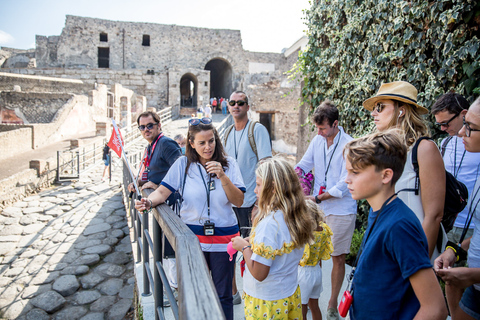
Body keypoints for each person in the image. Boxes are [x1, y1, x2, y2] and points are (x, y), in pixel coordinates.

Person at [135, 117, 245, 320]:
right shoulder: (182, 164)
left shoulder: (229, 165)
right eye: (201, 143)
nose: (207, 147)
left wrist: (223, 176)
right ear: (191, 144)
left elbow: (239, 201)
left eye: (211, 141)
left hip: (224, 241)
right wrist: (148, 202)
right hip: (193, 242)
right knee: (195, 294)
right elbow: (162, 192)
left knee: (223, 296)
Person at [344, 130, 447, 319]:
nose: (347, 179)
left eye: (355, 172)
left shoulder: (399, 226)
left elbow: (435, 308)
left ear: (386, 176)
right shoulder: (378, 211)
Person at [363, 81, 447, 262]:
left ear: (401, 111)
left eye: (380, 107)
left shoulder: (424, 149)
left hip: (412, 249)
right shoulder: (381, 151)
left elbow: (434, 215)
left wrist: (418, 263)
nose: (373, 113)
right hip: (383, 246)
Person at [230, 157, 315, 320]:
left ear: (273, 188)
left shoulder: (269, 224)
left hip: (266, 302)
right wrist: (252, 241)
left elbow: (259, 273)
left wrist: (244, 247)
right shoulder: (295, 216)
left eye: (259, 184)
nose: (255, 190)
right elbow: (279, 246)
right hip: (288, 294)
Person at [295, 99, 356, 320]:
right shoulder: (317, 141)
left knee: (338, 258)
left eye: (323, 128)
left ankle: (331, 305)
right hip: (317, 209)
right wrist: (288, 177)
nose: (319, 132)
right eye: (317, 128)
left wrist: (317, 197)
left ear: (335, 123)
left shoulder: (349, 145)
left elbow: (345, 184)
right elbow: (302, 165)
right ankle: (313, 301)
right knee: (314, 256)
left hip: (340, 209)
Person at [128, 111, 182, 304]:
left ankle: (175, 291)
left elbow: (181, 169)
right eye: (142, 127)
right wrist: (138, 183)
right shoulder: (151, 146)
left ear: (159, 126)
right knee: (163, 248)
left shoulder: (166, 143)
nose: (146, 130)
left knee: (170, 249)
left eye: (149, 125)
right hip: (160, 204)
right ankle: (171, 287)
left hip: (172, 205)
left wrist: (159, 187)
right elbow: (152, 172)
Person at [224, 90, 272, 304]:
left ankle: (253, 293)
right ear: (228, 105)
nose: (236, 106)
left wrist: (261, 204)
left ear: (247, 106)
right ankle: (234, 292)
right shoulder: (226, 133)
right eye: (233, 102)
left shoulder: (257, 129)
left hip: (250, 203)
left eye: (240, 103)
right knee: (230, 248)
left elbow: (266, 166)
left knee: (251, 249)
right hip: (229, 201)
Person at [435, 97, 480, 320]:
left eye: (470, 128)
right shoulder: (444, 145)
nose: (461, 133)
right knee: (450, 284)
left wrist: (473, 274)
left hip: (472, 232)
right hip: (451, 227)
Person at [432, 92, 480, 244]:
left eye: (446, 123)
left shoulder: (477, 144)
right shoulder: (445, 144)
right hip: (449, 225)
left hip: (474, 227)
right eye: (439, 125)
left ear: (463, 114)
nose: (443, 128)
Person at [298, 200, 333, 320]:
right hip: (316, 271)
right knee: (314, 306)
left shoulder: (305, 235)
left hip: (303, 273)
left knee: (301, 309)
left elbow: (298, 257)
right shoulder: (323, 231)